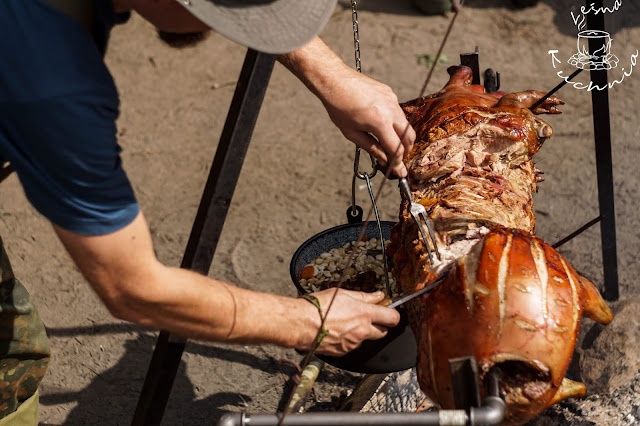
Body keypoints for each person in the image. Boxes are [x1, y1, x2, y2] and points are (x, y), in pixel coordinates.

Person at [0, 0, 416, 423]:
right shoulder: (53, 80)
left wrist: (330, 75)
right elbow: (132, 288)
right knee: (8, 365)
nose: (233, 28)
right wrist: (307, 321)